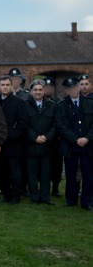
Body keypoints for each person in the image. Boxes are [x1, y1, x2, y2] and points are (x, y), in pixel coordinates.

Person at [56, 77, 93, 211]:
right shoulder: (61, 105)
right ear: (66, 90)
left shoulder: (90, 103)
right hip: (71, 146)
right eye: (69, 88)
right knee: (71, 174)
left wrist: (87, 138)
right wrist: (76, 139)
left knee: (88, 175)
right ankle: (71, 200)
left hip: (88, 145)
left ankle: (86, 201)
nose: (73, 90)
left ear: (78, 87)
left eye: (74, 87)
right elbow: (60, 126)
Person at [0, 76, 28, 204]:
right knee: (2, 172)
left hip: (13, 144)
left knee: (15, 173)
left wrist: (11, 135)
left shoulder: (18, 102)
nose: (5, 87)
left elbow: (23, 123)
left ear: (11, 86)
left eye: (7, 85)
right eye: (3, 85)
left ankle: (16, 196)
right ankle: (6, 194)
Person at [25, 79, 57, 205]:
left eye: (40, 90)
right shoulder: (25, 105)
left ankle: (45, 196)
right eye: (35, 90)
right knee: (32, 173)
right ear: (31, 91)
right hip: (31, 145)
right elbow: (24, 123)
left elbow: (55, 124)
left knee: (45, 173)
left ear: (44, 91)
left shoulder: (52, 105)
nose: (38, 92)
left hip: (47, 145)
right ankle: (34, 196)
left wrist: (47, 137)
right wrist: (34, 137)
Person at [43, 76, 63, 196]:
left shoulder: (58, 103)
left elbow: (59, 122)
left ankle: (55, 188)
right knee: (45, 166)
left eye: (51, 87)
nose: (48, 89)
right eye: (46, 87)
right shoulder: (39, 102)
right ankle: (44, 187)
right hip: (43, 139)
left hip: (55, 140)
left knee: (57, 166)